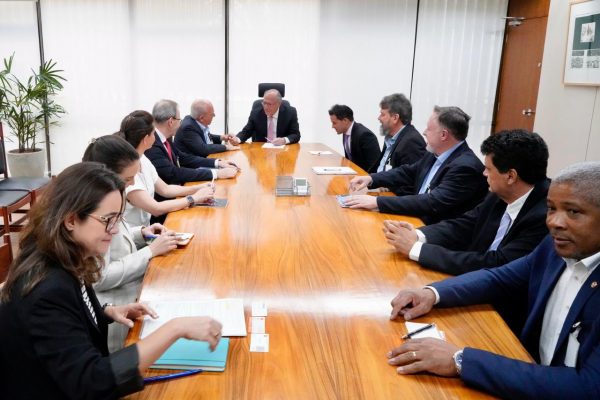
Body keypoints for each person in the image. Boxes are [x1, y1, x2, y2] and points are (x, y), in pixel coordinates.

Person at [0, 162, 223, 399]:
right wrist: (174, 329)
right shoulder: (47, 287)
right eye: (108, 220)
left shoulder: (66, 256)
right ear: (71, 220)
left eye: (118, 218)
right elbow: (92, 380)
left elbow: (68, 318)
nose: (115, 230)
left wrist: (108, 311)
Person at [386, 161, 600, 399]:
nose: (554, 222)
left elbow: (589, 387)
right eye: (551, 208)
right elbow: (499, 278)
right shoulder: (554, 248)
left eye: (574, 212)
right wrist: (431, 294)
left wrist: (461, 360)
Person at [383, 129, 550, 275]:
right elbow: (465, 224)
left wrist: (416, 249)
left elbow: (496, 263)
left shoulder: (545, 215)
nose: (484, 173)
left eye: (488, 169)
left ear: (511, 176)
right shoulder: (500, 194)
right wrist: (417, 235)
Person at [83, 135, 179, 351]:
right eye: (128, 179)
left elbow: (119, 238)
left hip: (129, 297)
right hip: (118, 308)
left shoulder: (107, 198)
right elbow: (100, 277)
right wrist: (150, 252)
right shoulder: (95, 212)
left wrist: (141, 233)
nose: (132, 184)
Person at [346, 106, 487, 224]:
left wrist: (377, 202)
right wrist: (371, 179)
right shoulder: (433, 153)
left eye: (429, 129)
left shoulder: (465, 167)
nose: (424, 132)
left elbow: (432, 202)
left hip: (435, 232)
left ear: (444, 135)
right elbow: (408, 172)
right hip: (415, 219)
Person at [116, 110, 215, 227]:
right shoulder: (128, 169)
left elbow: (165, 189)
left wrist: (198, 187)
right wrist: (194, 198)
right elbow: (156, 208)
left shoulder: (143, 159)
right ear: (145, 139)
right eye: (154, 133)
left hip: (145, 231)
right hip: (135, 237)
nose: (156, 136)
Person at [145, 99, 239, 186]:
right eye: (179, 120)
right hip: (169, 198)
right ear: (171, 122)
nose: (180, 124)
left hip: (179, 187)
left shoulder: (164, 138)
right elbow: (173, 173)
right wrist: (216, 173)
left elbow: (184, 158)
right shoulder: (152, 144)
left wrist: (218, 163)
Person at [370, 93, 426, 173]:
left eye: (382, 114)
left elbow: (409, 179)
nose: (379, 118)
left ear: (395, 118)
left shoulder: (411, 142)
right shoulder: (390, 137)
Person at [232, 89, 300, 145]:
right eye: (264, 103)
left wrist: (284, 140)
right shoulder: (256, 113)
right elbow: (246, 131)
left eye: (269, 104)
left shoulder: (290, 112)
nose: (265, 107)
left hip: (283, 151)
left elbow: (296, 134)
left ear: (279, 104)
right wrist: (237, 139)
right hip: (260, 151)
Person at [174, 99, 239, 158]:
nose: (214, 116)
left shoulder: (194, 120)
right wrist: (226, 147)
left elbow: (204, 136)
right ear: (202, 118)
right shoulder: (188, 128)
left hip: (205, 159)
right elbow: (203, 149)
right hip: (194, 167)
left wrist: (222, 137)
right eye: (212, 114)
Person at [328, 104, 380, 172]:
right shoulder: (345, 132)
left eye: (334, 123)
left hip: (366, 178)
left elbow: (374, 166)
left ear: (345, 121)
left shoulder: (365, 135)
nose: (332, 126)